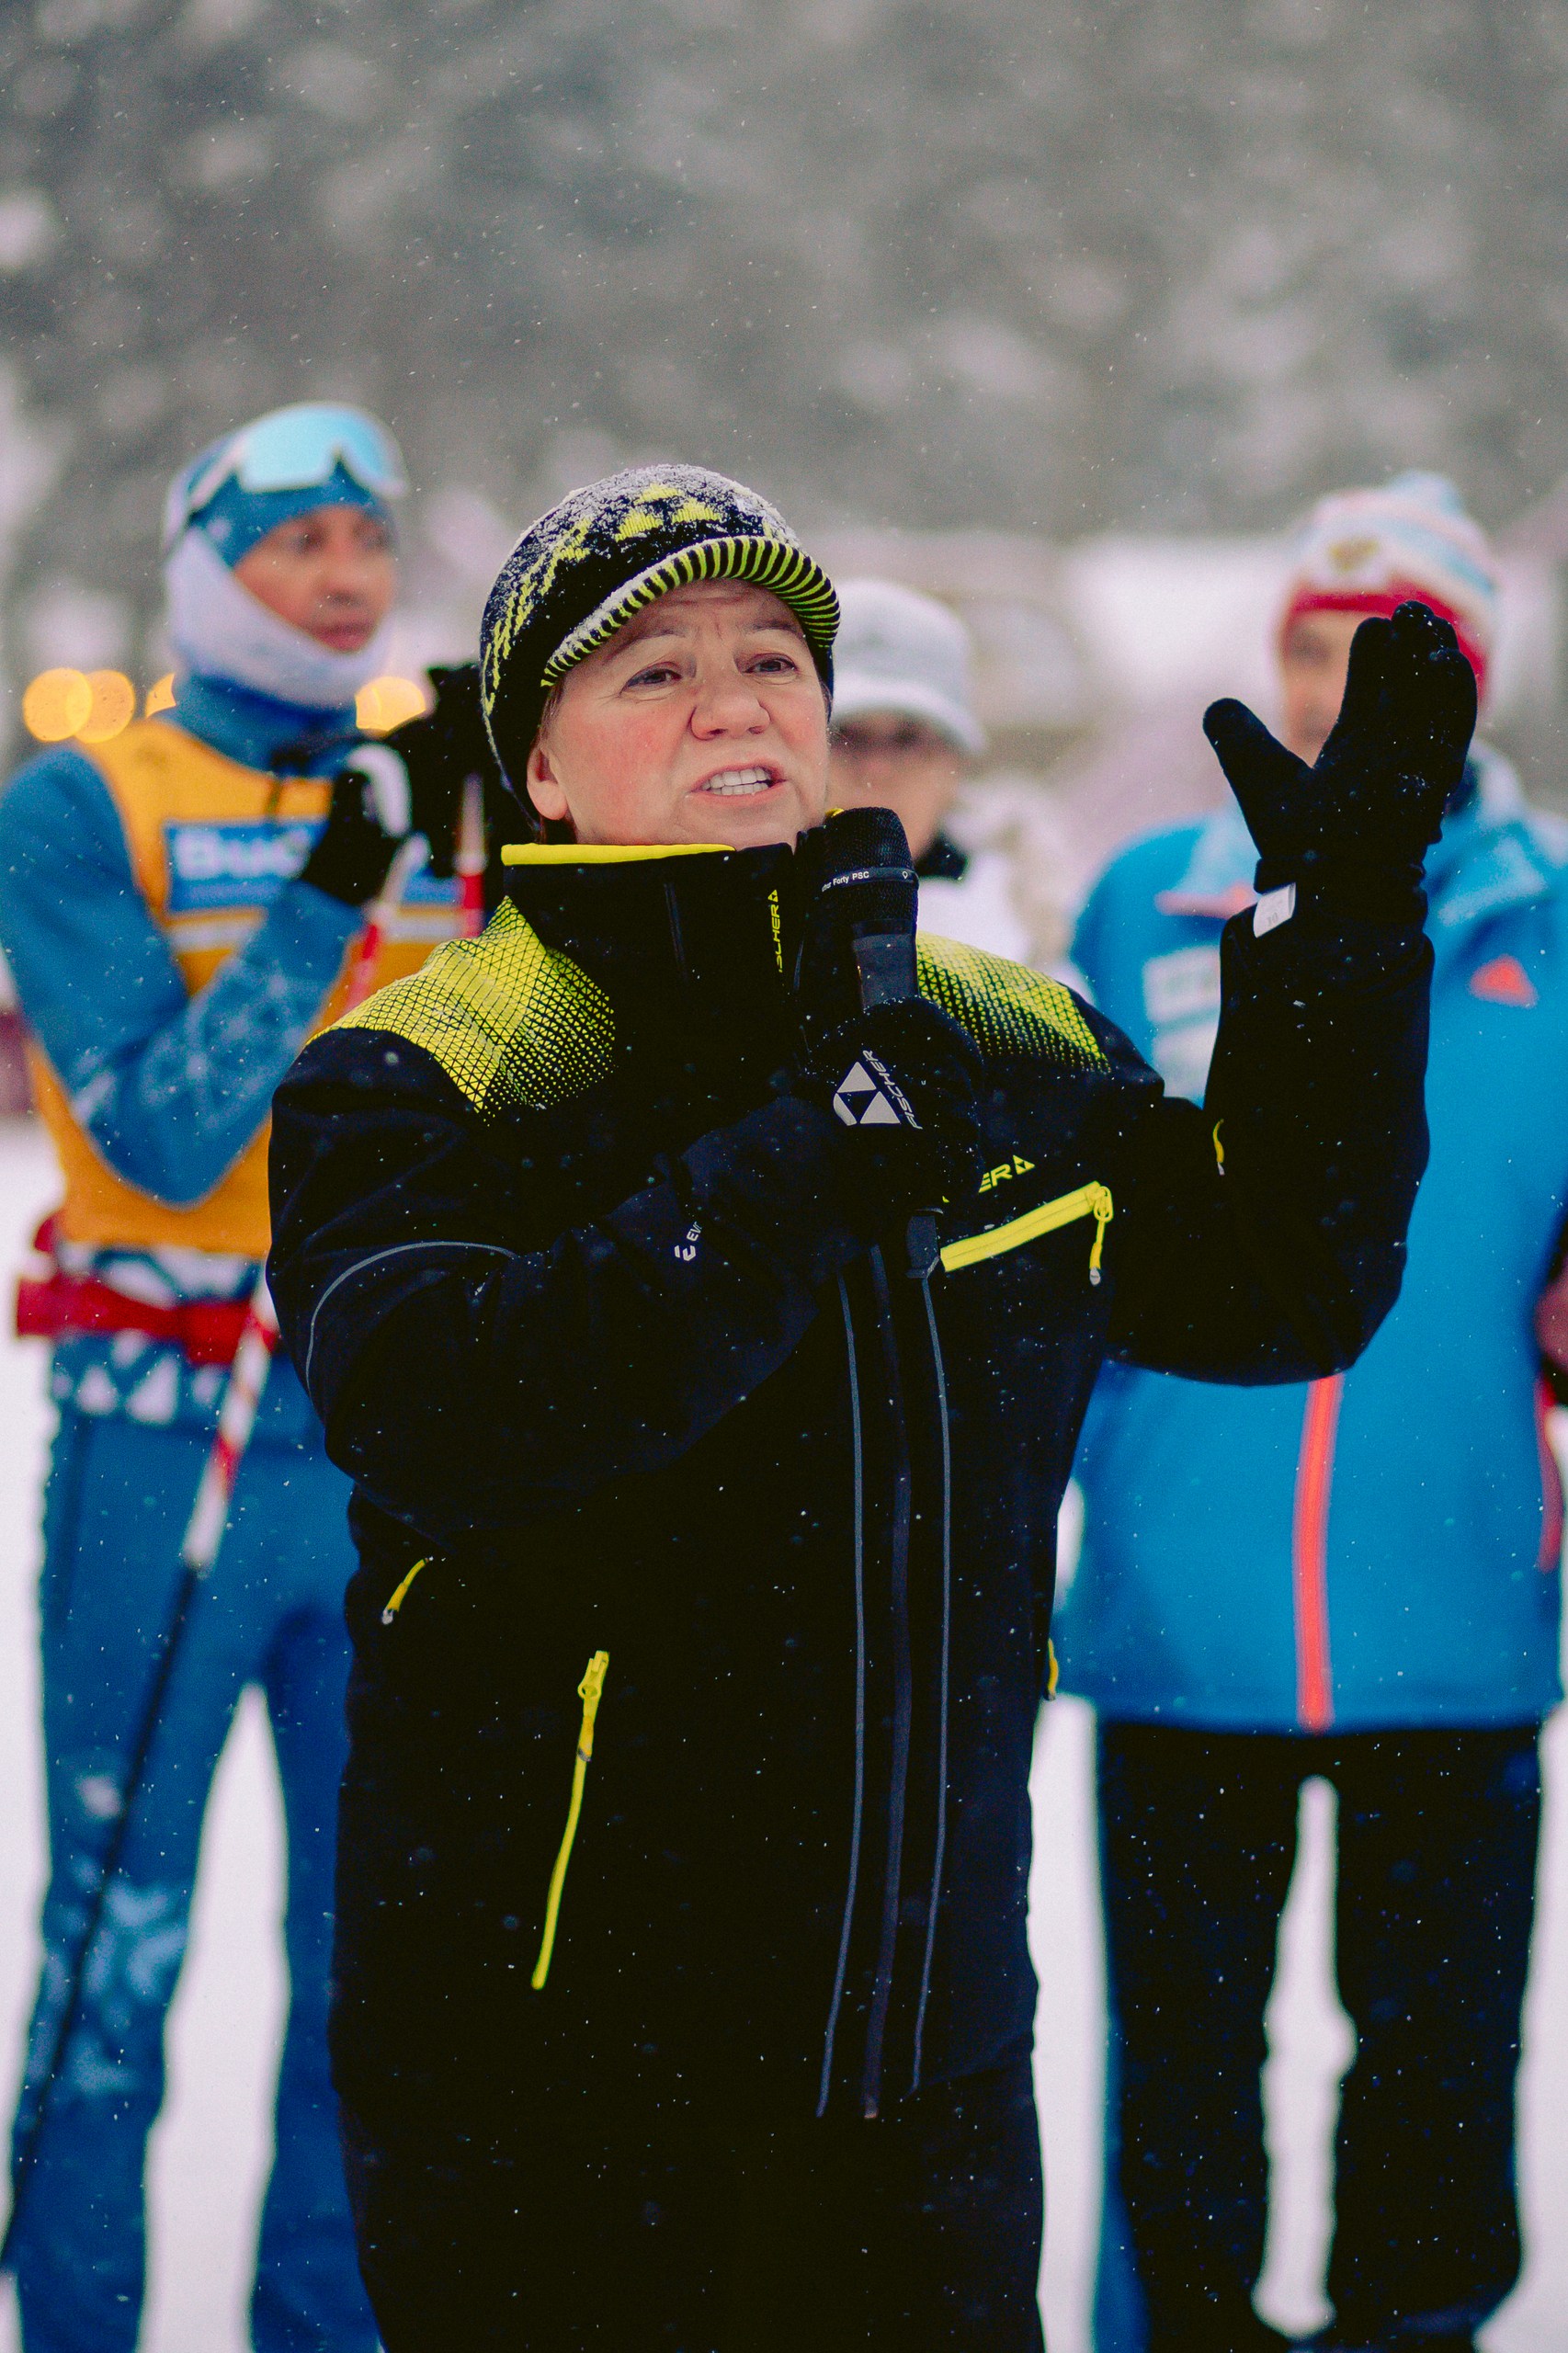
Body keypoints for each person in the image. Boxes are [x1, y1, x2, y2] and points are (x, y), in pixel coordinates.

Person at [265, 462, 1469, 2351]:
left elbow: (1273, 1284)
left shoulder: (985, 1033)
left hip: (926, 2081)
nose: (735, 696)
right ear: (544, 771)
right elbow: (456, 1410)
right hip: (551, 2104)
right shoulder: (431, 1065)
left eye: (770, 655)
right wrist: (809, 1140)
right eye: (649, 670)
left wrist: (1341, 929)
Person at [1059, 471, 1566, 2353]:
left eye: (1389, 649)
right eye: (1305, 637)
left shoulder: (1556, 922)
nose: (1333, 679)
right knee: (1177, 2064)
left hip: (1452, 1605)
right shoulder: (1143, 897)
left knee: (1434, 2065)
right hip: (1179, 1595)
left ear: (1470, 677)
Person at [0, 403, 481, 2353]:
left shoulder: (426, 792)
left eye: (370, 539)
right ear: (211, 570)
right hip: (163, 1434)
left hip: (381, 1439)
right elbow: (175, 1134)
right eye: (297, 542)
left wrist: (487, 840)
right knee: (117, 1937)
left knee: (381, 1969)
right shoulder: (81, 799)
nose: (345, 575)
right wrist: (332, 889)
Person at [828, 577, 1028, 960]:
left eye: (908, 739)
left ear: (956, 767)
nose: (877, 769)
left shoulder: (1042, 941)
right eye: (844, 736)